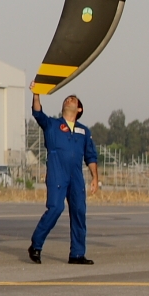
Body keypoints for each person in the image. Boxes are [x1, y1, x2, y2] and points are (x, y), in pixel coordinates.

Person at [29, 91, 100, 265]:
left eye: (73, 99)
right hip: (57, 171)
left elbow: (90, 156)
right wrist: (36, 95)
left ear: (79, 108)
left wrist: (95, 178)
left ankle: (77, 254)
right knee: (55, 208)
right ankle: (36, 245)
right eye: (67, 99)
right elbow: (37, 113)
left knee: (79, 212)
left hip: (76, 175)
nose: (69, 100)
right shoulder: (52, 124)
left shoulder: (84, 131)